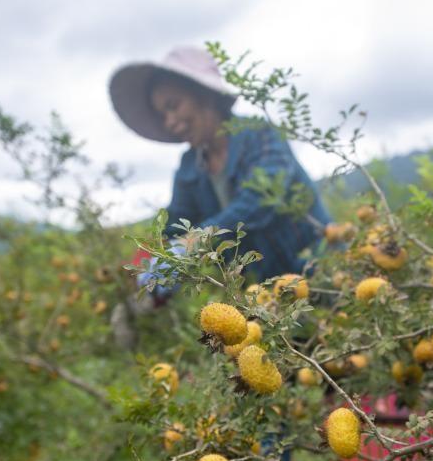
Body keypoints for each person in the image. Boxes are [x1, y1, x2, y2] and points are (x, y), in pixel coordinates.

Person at [107, 46, 332, 343]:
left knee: (340, 356)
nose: (170, 122)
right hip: (265, 301)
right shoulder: (190, 168)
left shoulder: (261, 136)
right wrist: (140, 276)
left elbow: (259, 203)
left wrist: (196, 242)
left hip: (317, 274)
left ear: (205, 95)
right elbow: (173, 225)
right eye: (163, 115)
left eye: (173, 106)